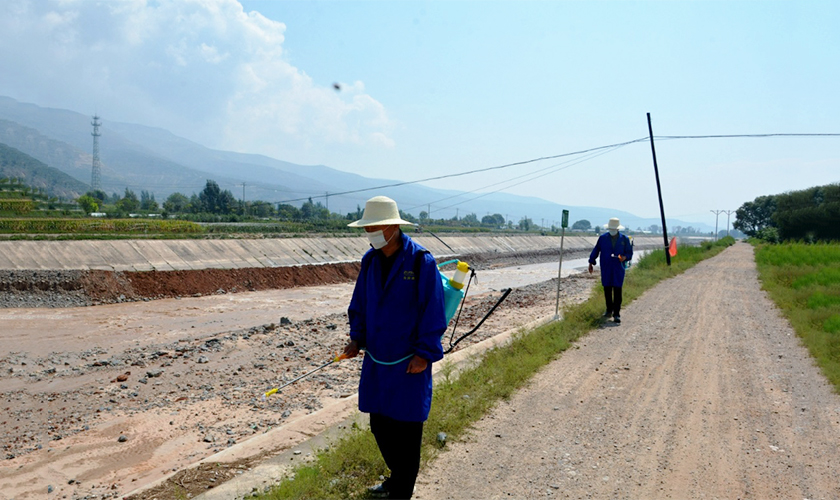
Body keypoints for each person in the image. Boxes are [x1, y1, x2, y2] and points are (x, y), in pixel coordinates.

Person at [343, 196, 447, 499]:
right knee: (380, 424)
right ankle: (396, 477)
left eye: (373, 228)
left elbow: (433, 311)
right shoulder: (370, 260)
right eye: (366, 230)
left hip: (408, 361)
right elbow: (360, 303)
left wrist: (424, 354)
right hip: (377, 358)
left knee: (407, 429)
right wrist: (356, 337)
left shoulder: (421, 262)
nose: (369, 235)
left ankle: (402, 491)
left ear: (391, 227)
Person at [588, 217, 633, 324]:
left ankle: (616, 314)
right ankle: (609, 310)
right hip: (606, 266)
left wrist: (624, 257)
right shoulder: (603, 238)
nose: (612, 231)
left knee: (617, 290)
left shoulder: (624, 239)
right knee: (607, 289)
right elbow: (596, 250)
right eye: (610, 229)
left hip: (618, 268)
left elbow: (629, 253)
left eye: (614, 229)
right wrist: (591, 262)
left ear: (617, 229)